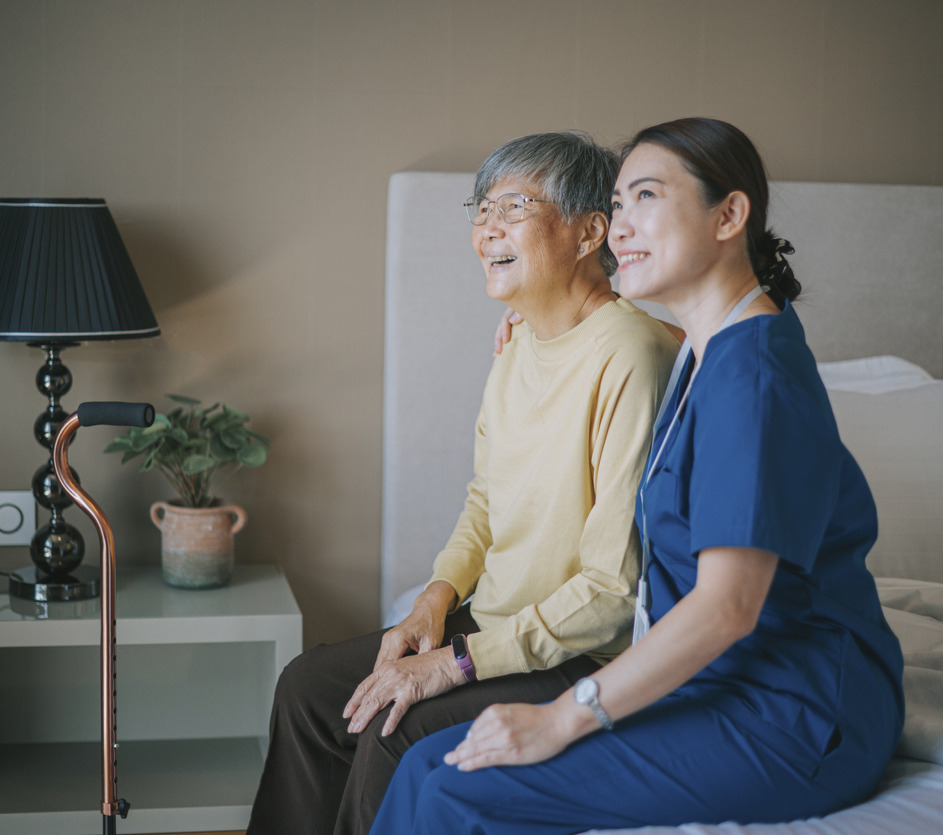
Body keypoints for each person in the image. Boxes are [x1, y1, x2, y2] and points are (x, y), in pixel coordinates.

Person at [370, 117, 906, 834]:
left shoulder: (753, 382)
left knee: (450, 788)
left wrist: (562, 717)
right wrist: (534, 332)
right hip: (715, 680)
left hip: (790, 712)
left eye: (645, 197)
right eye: (616, 205)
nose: (620, 226)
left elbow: (727, 608)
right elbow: (654, 348)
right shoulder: (707, 348)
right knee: (427, 766)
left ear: (729, 214)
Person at [244, 132, 679, 835]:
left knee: (395, 719)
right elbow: (486, 499)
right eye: (480, 209)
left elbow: (610, 593)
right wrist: (433, 603)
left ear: (588, 230)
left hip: (581, 651)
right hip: (498, 622)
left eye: (513, 205)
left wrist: (453, 663)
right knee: (308, 688)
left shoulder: (629, 352)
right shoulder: (518, 343)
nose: (487, 228)